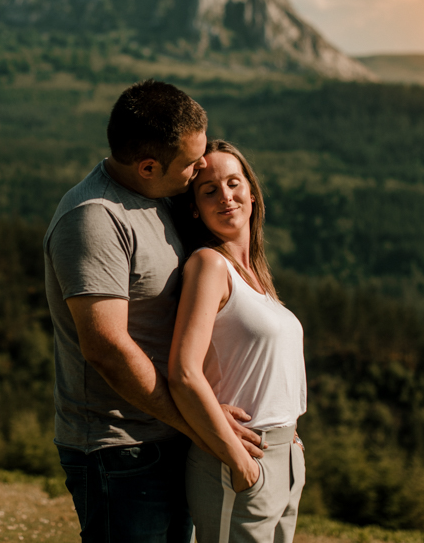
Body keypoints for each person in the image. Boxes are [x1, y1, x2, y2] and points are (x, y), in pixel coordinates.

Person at [44, 81, 265, 542]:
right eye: (192, 162)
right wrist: (203, 425)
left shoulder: (161, 194)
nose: (201, 167)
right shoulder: (94, 218)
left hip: (169, 435)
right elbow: (107, 349)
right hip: (122, 449)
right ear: (148, 167)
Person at [169, 140, 307, 543]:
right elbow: (183, 373)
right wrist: (238, 460)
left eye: (233, 183)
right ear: (195, 208)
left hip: (285, 457)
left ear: (252, 191)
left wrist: (291, 443)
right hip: (241, 460)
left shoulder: (256, 276)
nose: (226, 196)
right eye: (209, 190)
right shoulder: (209, 264)